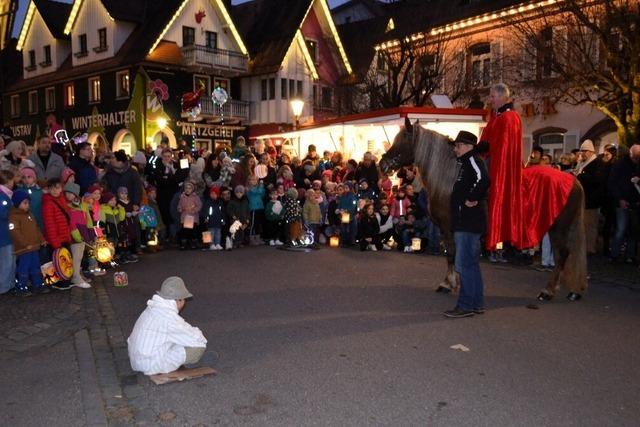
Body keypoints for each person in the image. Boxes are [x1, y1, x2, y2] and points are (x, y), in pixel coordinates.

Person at [444, 131, 490, 319]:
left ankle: (465, 305)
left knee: (464, 265)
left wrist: (472, 197)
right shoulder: (466, 163)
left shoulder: (472, 160)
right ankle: (476, 303)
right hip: (466, 222)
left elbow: (484, 180)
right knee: (471, 264)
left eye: (459, 145)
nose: (456, 149)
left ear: (469, 146)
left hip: (467, 223)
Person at [128, 276, 207, 376]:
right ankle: (185, 362)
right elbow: (199, 340)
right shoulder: (169, 319)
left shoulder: (151, 308)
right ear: (179, 300)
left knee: (178, 338)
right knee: (198, 348)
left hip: (136, 361)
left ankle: (177, 359)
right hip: (151, 365)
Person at [479, 83, 524, 251]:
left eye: (492, 96)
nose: (490, 100)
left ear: (501, 97)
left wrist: (483, 149)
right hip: (490, 156)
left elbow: (501, 146)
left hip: (499, 164)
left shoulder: (509, 117)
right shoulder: (497, 116)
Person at [9, 190, 49, 296]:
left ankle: (37, 285)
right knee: (24, 268)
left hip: (34, 247)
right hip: (24, 249)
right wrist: (25, 244)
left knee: (35, 267)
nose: (27, 205)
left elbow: (36, 228)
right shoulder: (14, 216)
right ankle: (21, 287)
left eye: (28, 203)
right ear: (18, 203)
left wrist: (42, 240)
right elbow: (15, 232)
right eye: (25, 203)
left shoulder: (29, 214)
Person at [608, 144, 640, 262]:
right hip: (622, 201)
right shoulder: (620, 164)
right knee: (621, 229)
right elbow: (612, 183)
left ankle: (630, 255)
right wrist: (620, 199)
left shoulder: (635, 164)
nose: (637, 159)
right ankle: (615, 254)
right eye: (636, 157)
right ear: (631, 154)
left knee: (633, 230)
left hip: (635, 202)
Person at [573, 140, 605, 255]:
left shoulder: (597, 163)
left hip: (591, 199)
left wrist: (580, 175)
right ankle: (584, 246)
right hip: (583, 198)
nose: (582, 153)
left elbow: (597, 180)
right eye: (582, 151)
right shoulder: (582, 163)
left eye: (585, 151)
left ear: (591, 151)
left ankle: (590, 248)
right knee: (583, 225)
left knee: (590, 225)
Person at [0, 170, 16, 295]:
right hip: (4, 235)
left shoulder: (7, 195)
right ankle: (4, 286)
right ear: (8, 181)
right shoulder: (2, 196)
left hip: (8, 234)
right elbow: (3, 213)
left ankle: (10, 284)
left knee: (11, 260)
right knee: (7, 261)